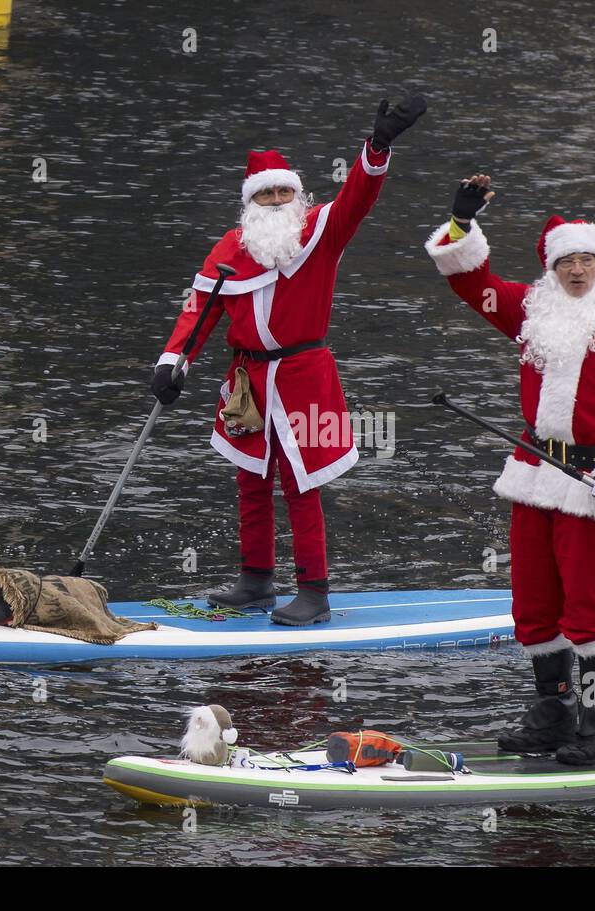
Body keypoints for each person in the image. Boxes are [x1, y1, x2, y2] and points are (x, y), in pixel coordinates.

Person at [424, 174, 595, 764]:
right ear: (551, 269)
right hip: (535, 472)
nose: (579, 270)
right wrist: (460, 223)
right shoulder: (531, 311)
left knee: (590, 610)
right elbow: (471, 282)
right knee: (534, 603)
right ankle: (554, 712)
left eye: (589, 260)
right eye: (568, 261)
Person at [151, 96, 427, 626]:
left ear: (297, 195)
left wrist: (378, 147)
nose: (278, 200)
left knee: (302, 484)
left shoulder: (322, 231)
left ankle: (314, 592)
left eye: (285, 191)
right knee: (250, 479)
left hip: (304, 376)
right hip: (247, 379)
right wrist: (173, 362)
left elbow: (358, 196)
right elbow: (199, 312)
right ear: (250, 202)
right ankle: (254, 580)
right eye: (267, 193)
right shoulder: (229, 248)